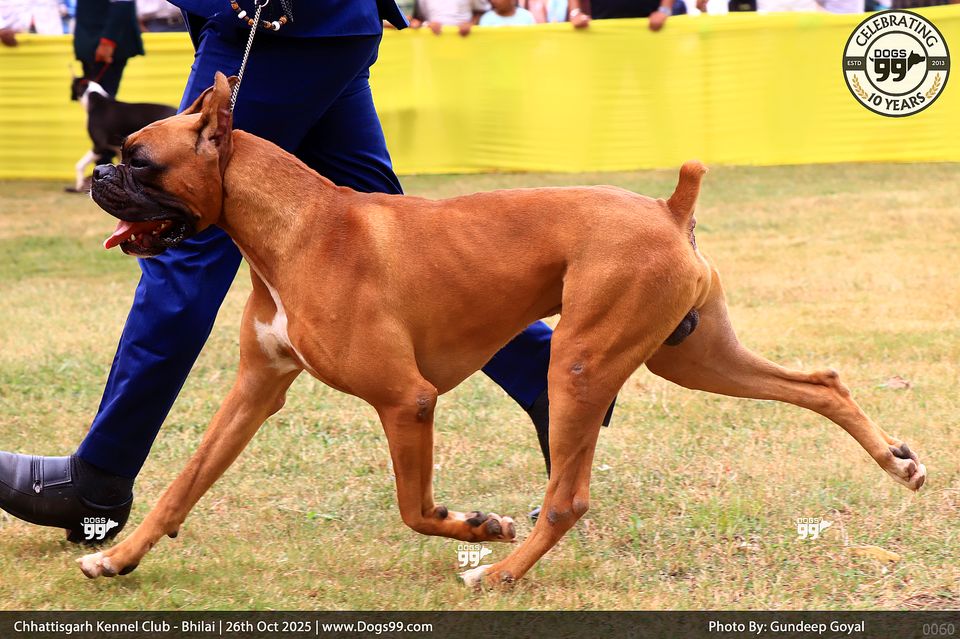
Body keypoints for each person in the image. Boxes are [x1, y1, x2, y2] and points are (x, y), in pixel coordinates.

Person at [0, 0, 586, 541]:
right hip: (324, 23)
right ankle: (545, 377)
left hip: (275, 21)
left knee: (184, 233)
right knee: (382, 228)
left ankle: (98, 476)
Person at [73, 0, 143, 98]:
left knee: (103, 100)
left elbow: (122, 4)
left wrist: (108, 40)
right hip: (90, 40)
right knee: (94, 98)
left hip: (104, 41)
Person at [568, 0, 706, 31]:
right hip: (602, 28)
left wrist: (664, 10)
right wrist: (575, 12)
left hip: (651, 28)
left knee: (653, 88)